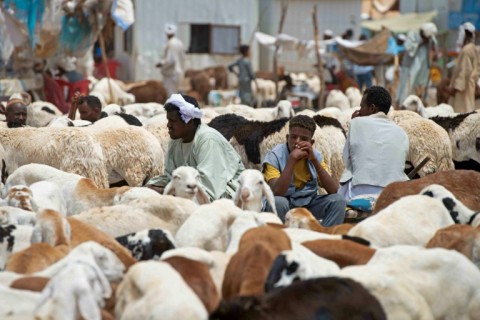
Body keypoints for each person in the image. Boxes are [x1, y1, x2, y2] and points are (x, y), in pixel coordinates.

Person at [146, 94, 245, 201]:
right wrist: (152, 187)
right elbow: (170, 177)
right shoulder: (175, 142)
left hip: (227, 194)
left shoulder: (207, 140)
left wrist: (171, 193)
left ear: (189, 121)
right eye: (168, 120)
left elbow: (210, 186)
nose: (168, 125)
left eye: (173, 121)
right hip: (192, 190)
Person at [262, 115, 346, 226]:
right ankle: (284, 237)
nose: (297, 142)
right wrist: (292, 159)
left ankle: (324, 236)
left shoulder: (315, 156)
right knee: (278, 202)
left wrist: (314, 161)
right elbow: (278, 192)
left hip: (309, 202)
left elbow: (333, 190)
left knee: (338, 201)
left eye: (304, 139)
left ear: (311, 143)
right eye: (294, 137)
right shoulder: (274, 157)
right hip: (286, 203)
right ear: (287, 138)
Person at [339, 86, 409, 202]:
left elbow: (346, 159)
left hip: (358, 195)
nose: (359, 111)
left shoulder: (357, 123)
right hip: (393, 195)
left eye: (362, 106)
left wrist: (353, 122)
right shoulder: (401, 133)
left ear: (372, 108)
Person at [395, 22, 438, 106]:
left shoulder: (430, 38)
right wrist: (421, 41)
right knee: (407, 85)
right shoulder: (413, 34)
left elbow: (434, 48)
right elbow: (409, 48)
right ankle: (402, 103)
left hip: (424, 67)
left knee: (421, 84)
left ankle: (418, 103)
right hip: (409, 66)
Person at [447, 22, 479, 113]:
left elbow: (465, 70)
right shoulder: (472, 48)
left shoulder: (466, 50)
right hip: (469, 85)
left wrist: (456, 86)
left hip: (463, 88)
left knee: (462, 112)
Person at [156, 24, 186, 97]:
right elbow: (183, 58)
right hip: (178, 73)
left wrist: (161, 64)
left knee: (171, 95)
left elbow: (170, 60)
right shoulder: (179, 43)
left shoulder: (170, 43)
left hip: (171, 74)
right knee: (176, 93)